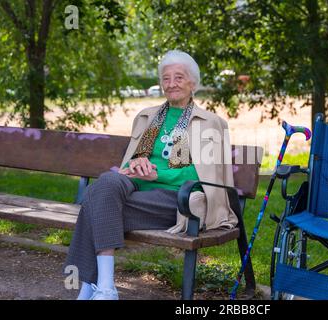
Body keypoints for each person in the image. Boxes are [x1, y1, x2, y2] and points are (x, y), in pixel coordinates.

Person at [63, 50, 238, 300]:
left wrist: (155, 175)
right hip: (134, 191)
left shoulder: (210, 123)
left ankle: (93, 287)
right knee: (106, 183)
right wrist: (136, 166)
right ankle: (105, 287)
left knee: (94, 200)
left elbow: (201, 175)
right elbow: (131, 162)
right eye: (166, 78)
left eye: (179, 77)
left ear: (193, 83)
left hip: (177, 200)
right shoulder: (148, 116)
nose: (171, 83)